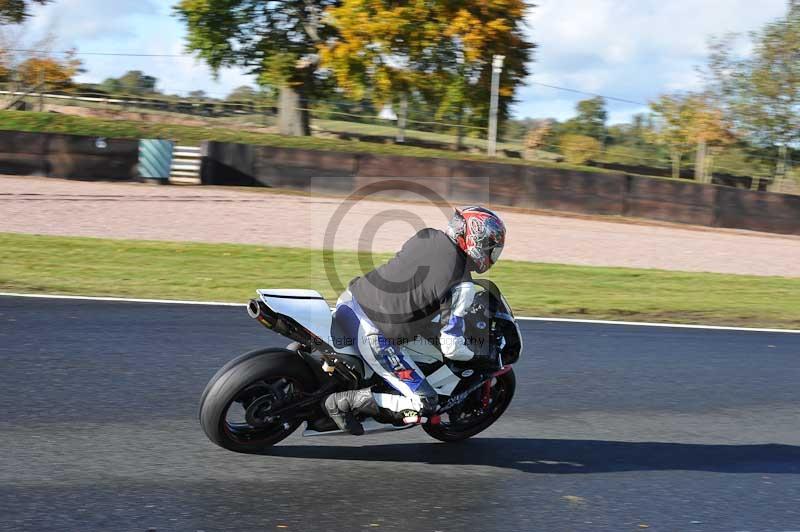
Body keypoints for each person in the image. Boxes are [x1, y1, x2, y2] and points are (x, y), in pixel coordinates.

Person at [324, 206, 507, 434]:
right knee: (425, 403)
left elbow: (416, 289)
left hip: (349, 301)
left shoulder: (427, 235)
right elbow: (451, 348)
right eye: (492, 248)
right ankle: (345, 401)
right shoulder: (463, 285)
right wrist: (479, 354)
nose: (492, 255)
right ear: (477, 242)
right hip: (373, 333)